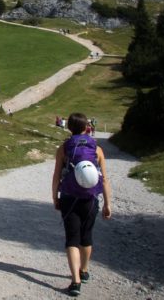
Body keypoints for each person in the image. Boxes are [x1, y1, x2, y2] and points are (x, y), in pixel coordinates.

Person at [51, 112, 112, 297]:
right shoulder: (97, 149)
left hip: (69, 197)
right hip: (91, 198)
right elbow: (104, 179)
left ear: (69, 128)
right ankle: (84, 271)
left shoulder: (64, 148)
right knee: (86, 236)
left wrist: (55, 197)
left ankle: (75, 281)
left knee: (72, 239)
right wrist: (107, 203)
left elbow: (56, 175)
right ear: (87, 127)